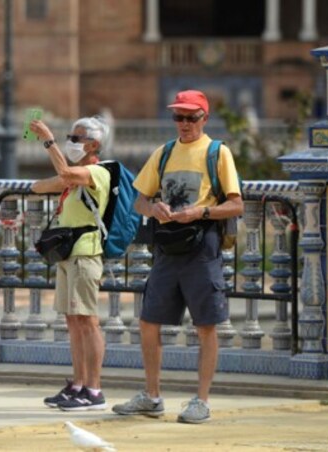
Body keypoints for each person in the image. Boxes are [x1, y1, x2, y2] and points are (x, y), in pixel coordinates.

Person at [112, 90, 243, 424]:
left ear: (204, 118)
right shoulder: (164, 152)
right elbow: (138, 201)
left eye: (191, 117)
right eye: (178, 117)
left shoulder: (218, 153)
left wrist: (200, 211)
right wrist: (153, 208)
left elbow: (236, 204)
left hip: (202, 248)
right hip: (167, 249)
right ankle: (153, 396)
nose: (184, 124)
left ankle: (201, 400)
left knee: (206, 325)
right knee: (148, 321)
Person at [30, 116, 112, 411]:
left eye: (76, 140)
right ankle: (78, 385)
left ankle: (94, 389)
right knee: (73, 320)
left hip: (86, 255)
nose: (71, 143)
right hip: (68, 255)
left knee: (88, 321)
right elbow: (45, 185)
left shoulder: (97, 172)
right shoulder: (74, 176)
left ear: (94, 145)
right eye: (69, 138)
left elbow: (63, 173)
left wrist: (48, 140)